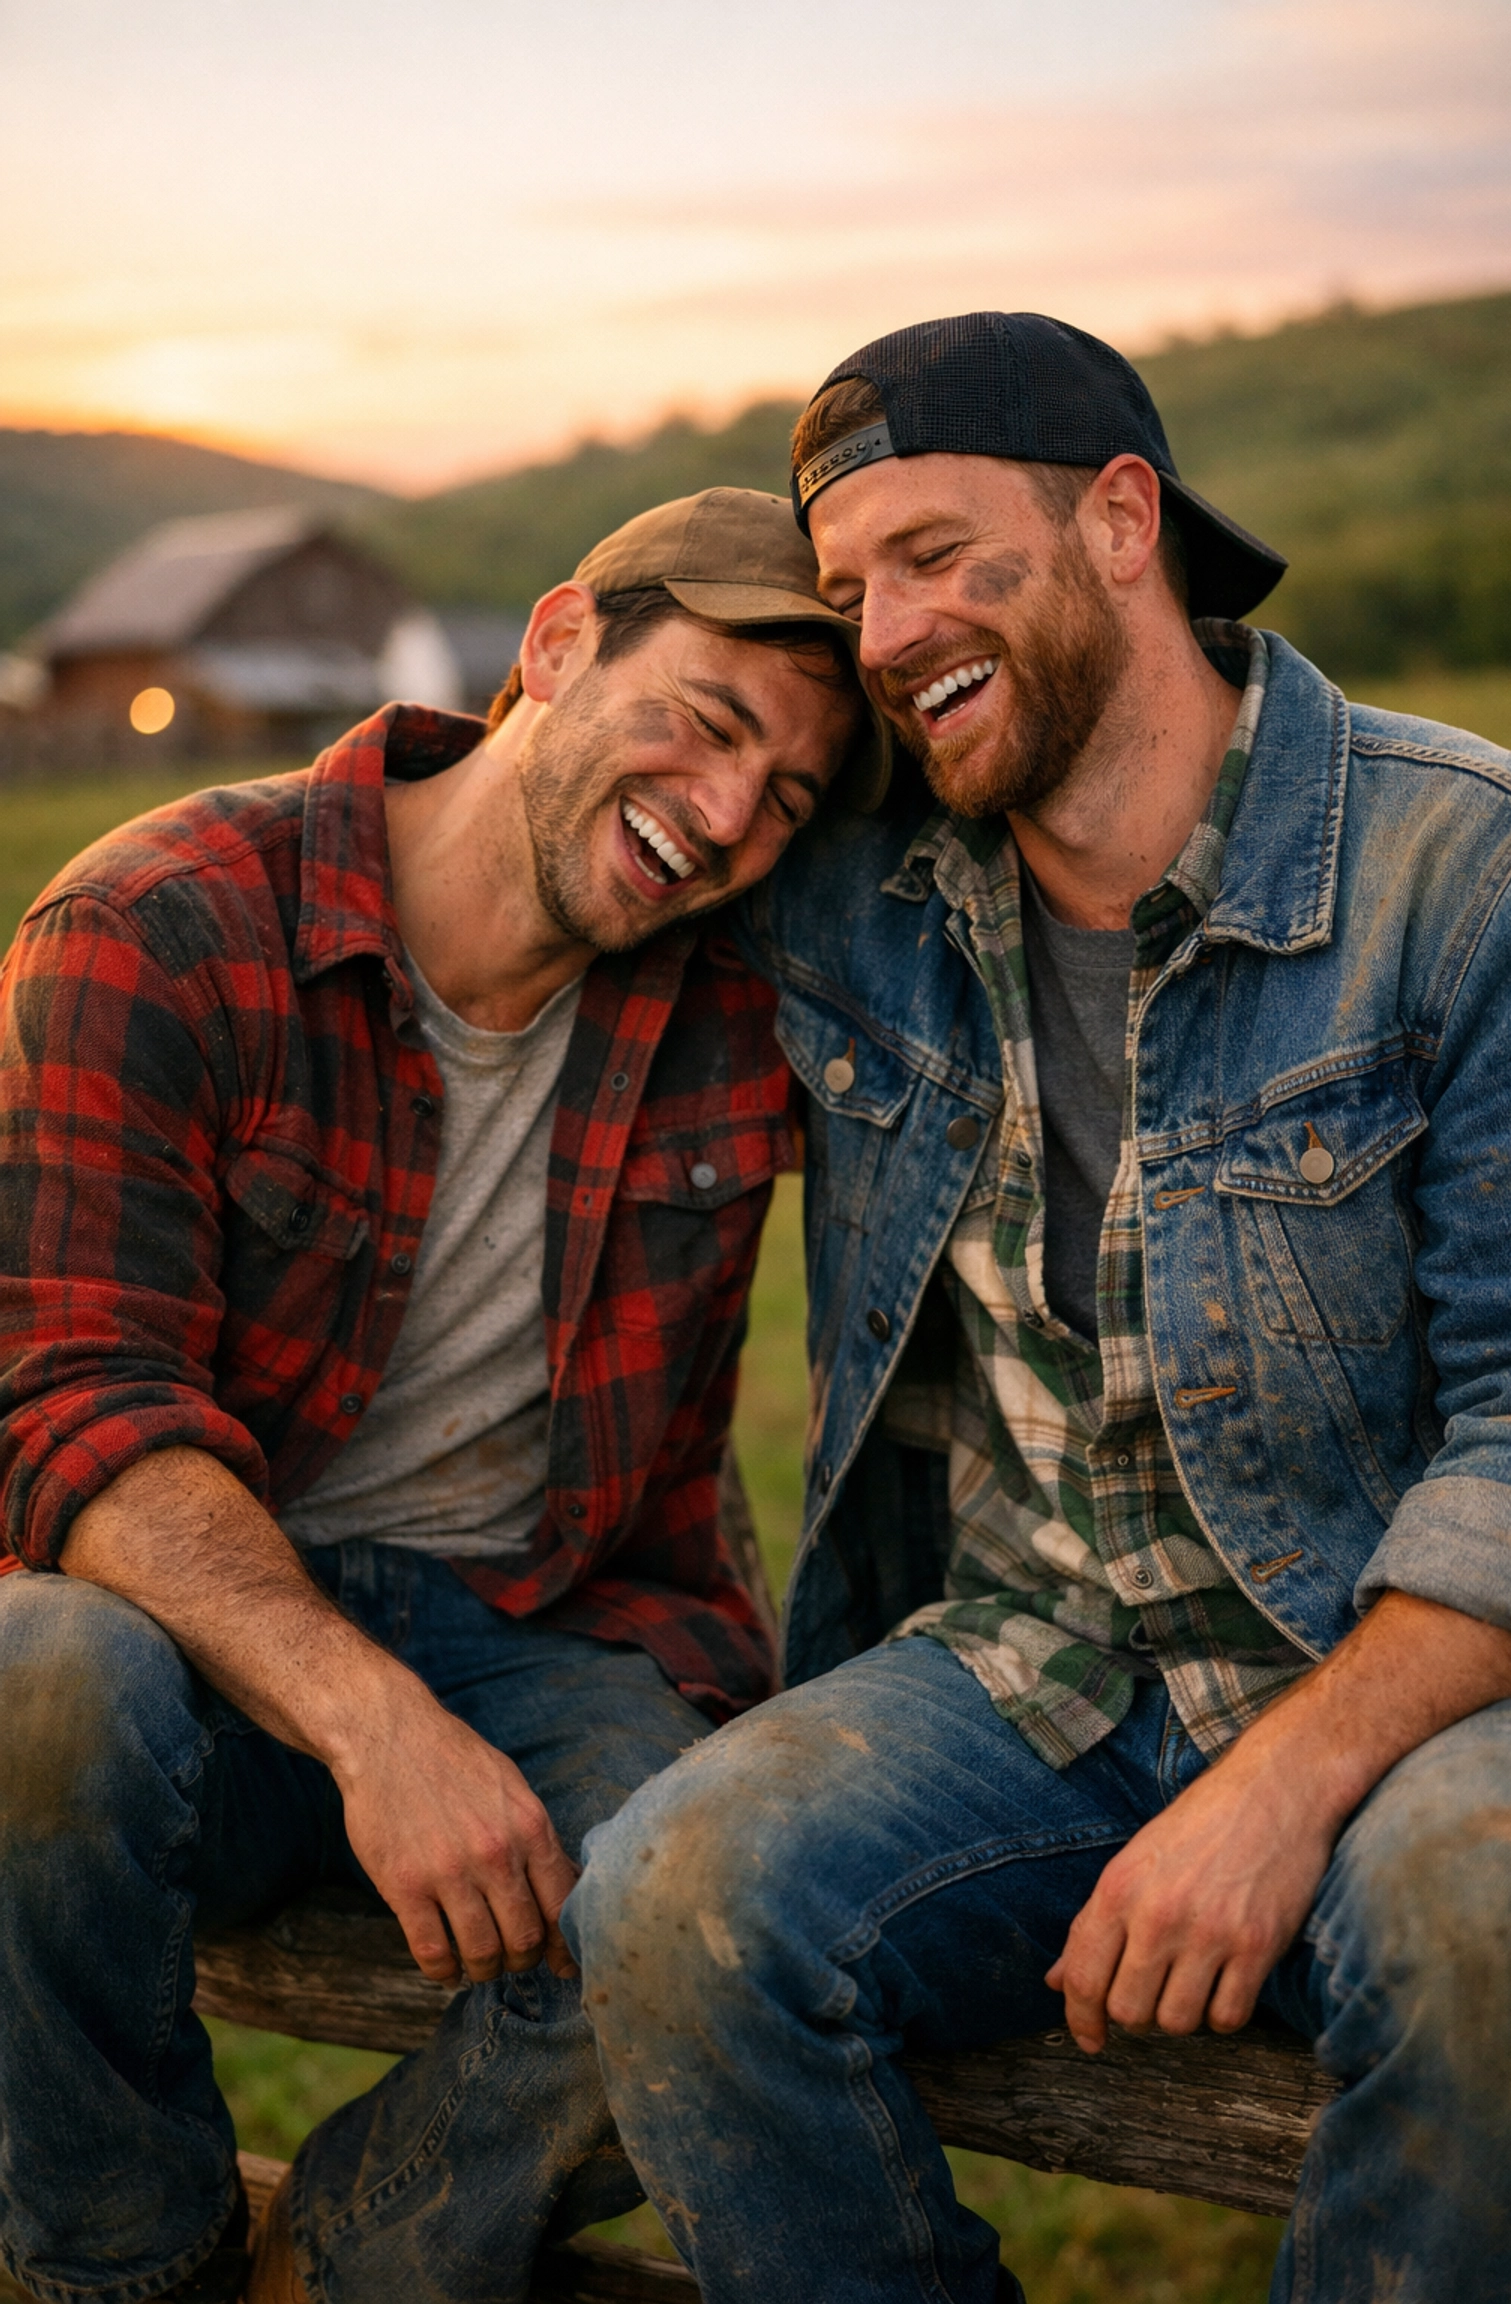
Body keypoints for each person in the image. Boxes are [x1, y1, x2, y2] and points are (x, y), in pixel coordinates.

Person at [568, 316, 1511, 2303]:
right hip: (1033, 1665)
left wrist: (1285, 1782)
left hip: (1393, 1667)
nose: (893, 631)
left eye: (937, 554)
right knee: (673, 1895)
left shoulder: (1466, 867)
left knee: (1492, 1921)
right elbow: (580, 794)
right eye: (850, 593)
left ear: (1121, 521)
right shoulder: (861, 888)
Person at [0, 488, 877, 2304]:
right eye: (706, 722)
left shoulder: (753, 986)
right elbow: (67, 1399)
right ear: (553, 646)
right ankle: (118, 2261)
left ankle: (346, 2262)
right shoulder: (158, 923)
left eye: (785, 795)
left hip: (551, 1630)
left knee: (734, 1902)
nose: (724, 816)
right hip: (199, 1651)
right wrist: (369, 1720)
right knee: (30, 1683)